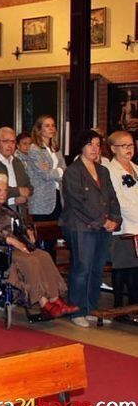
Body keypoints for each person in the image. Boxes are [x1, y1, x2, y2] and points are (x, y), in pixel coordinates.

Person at [0, 173, 78, 318]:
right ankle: (43, 302)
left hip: (13, 247)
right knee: (31, 261)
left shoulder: (5, 209)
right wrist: (10, 239)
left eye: (5, 190)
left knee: (44, 256)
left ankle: (55, 299)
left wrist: (27, 231)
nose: (3, 194)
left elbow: (19, 225)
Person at [60, 130, 122, 328]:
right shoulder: (73, 171)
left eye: (97, 145)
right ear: (82, 147)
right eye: (90, 145)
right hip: (81, 226)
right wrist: (101, 221)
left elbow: (112, 197)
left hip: (103, 227)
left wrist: (114, 219)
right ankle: (76, 310)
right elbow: (78, 202)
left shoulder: (102, 171)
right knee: (82, 268)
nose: (95, 149)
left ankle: (90, 308)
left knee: (96, 270)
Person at [106, 131, 138, 322]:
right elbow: (119, 201)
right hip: (124, 226)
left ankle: (133, 306)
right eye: (124, 146)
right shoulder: (111, 170)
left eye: (131, 145)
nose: (129, 149)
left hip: (136, 227)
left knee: (135, 268)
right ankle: (119, 307)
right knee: (123, 267)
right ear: (113, 149)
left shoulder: (135, 168)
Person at [0, 127, 32, 209]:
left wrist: (25, 196)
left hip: (19, 209)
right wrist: (19, 191)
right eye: (5, 141)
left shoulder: (17, 162)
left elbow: (29, 186)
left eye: (12, 142)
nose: (10, 145)